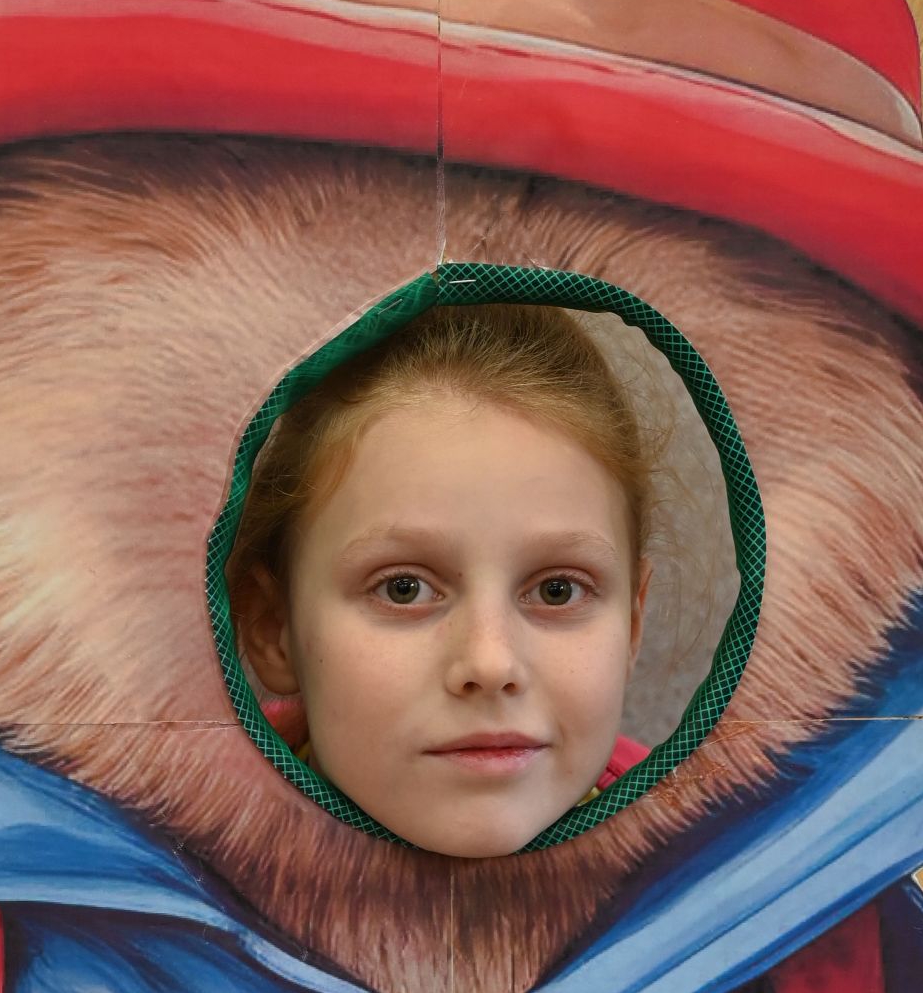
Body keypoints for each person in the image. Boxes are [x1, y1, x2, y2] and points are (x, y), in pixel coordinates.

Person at [230, 303, 652, 852]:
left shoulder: (706, 851)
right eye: (403, 588)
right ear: (273, 628)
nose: (490, 663)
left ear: (632, 626)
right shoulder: (175, 853)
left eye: (558, 590)